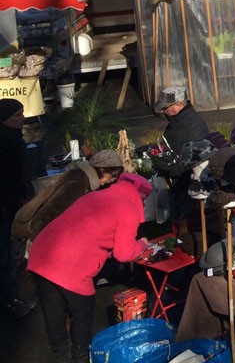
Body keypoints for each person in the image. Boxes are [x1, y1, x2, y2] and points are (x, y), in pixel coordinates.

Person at [28, 173, 152, 363]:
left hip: (41, 253)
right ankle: (80, 355)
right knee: (82, 310)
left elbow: (93, 230)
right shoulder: (128, 209)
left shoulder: (96, 196)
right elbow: (124, 253)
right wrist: (142, 244)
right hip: (69, 265)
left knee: (53, 310)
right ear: (141, 197)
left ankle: (60, 354)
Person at [14, 150, 123, 240]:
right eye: (113, 175)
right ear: (102, 169)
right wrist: (42, 244)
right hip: (35, 233)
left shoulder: (83, 178)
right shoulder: (79, 181)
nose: (112, 180)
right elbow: (51, 211)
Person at [0, 99, 36, 319]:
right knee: (9, 256)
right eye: (17, 116)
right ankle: (9, 301)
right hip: (9, 209)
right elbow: (19, 176)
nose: (23, 119)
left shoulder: (12, 138)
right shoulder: (10, 141)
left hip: (8, 207)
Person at [160, 86, 209, 157]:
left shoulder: (195, 125)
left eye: (165, 108)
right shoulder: (175, 121)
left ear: (178, 105)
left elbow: (196, 157)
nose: (163, 111)